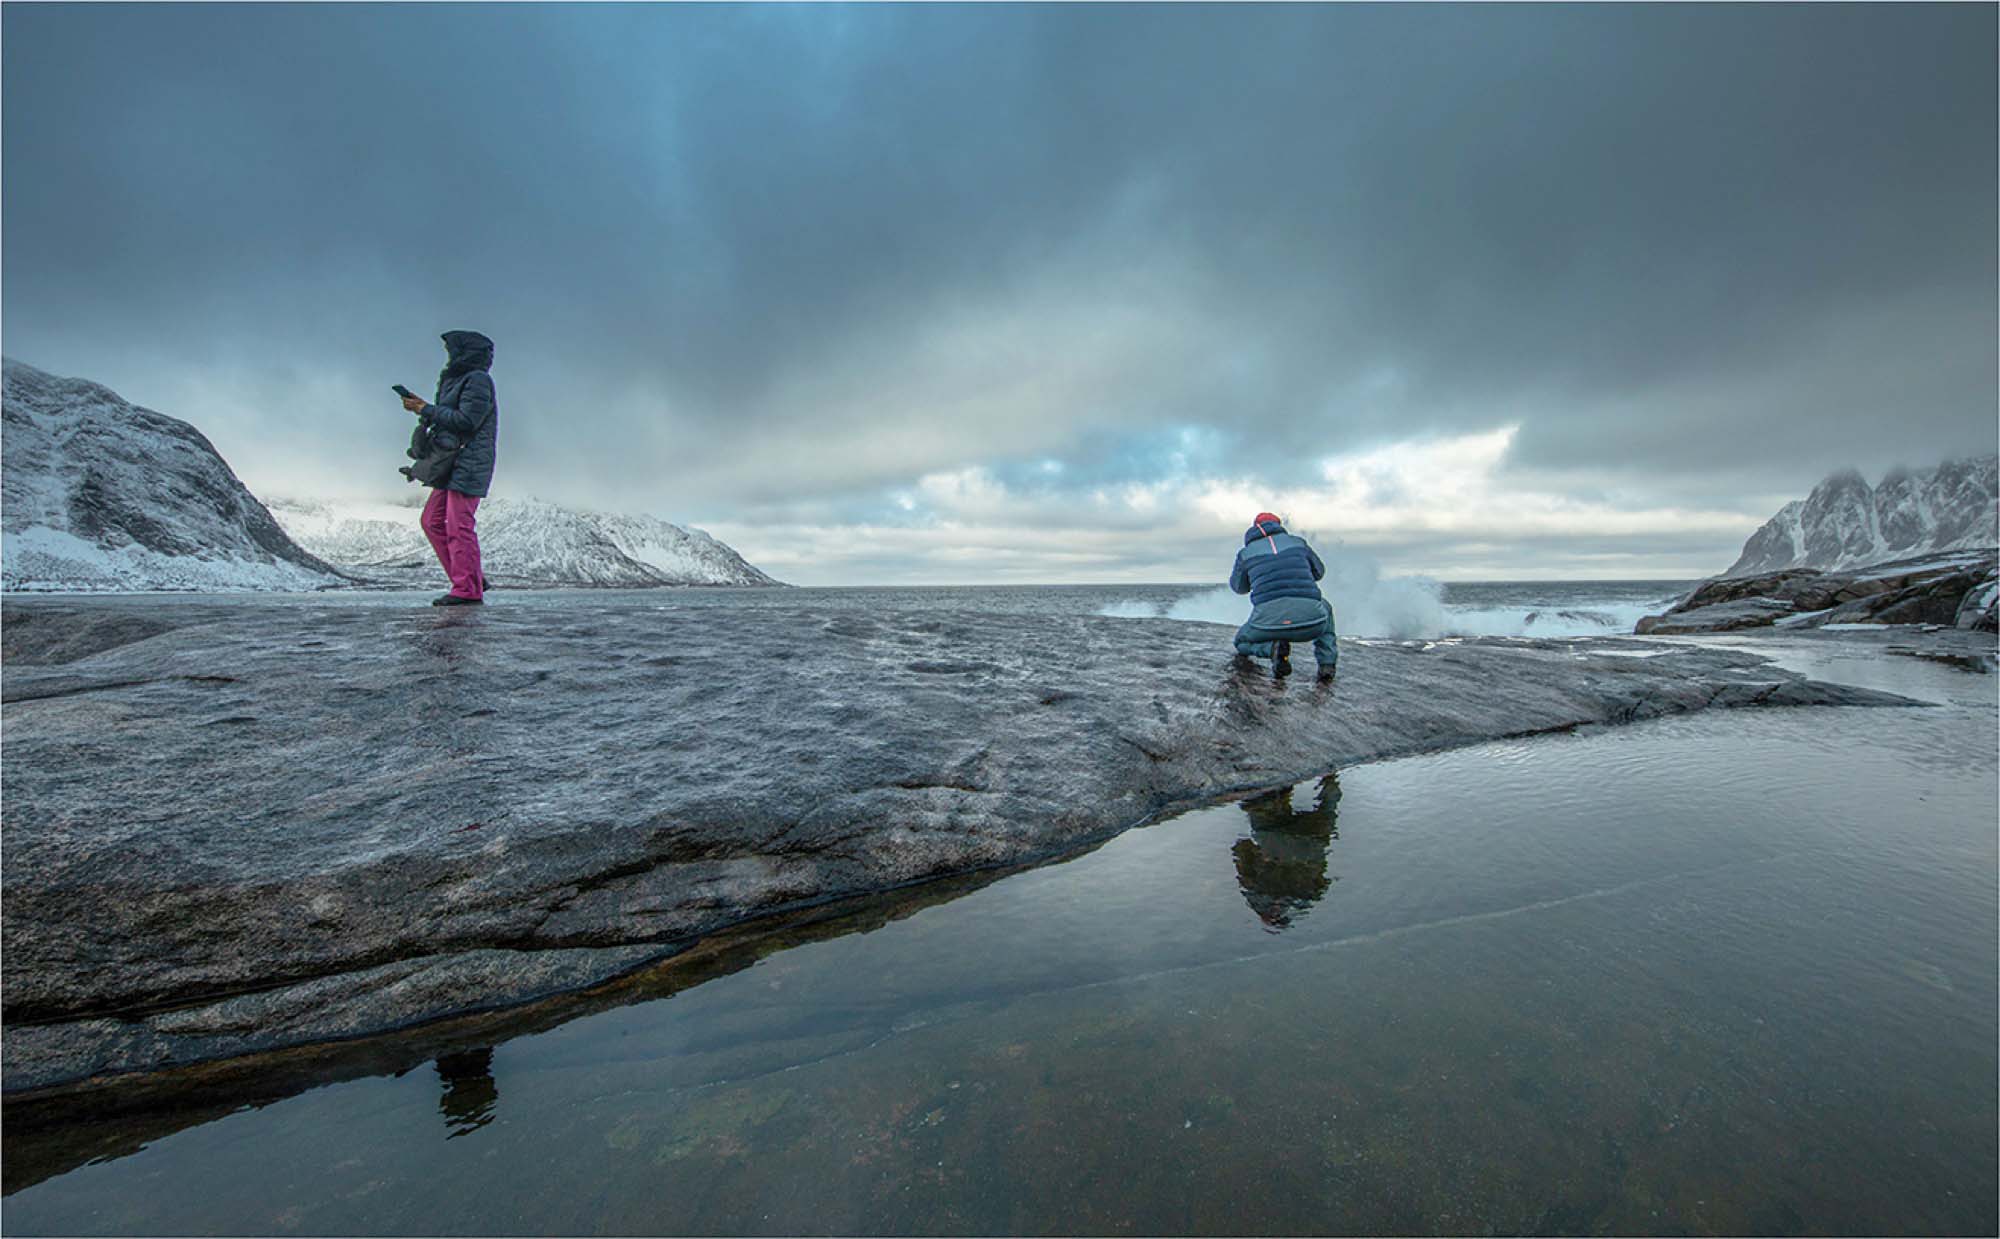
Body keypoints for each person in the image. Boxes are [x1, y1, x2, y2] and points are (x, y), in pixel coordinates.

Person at [401, 331, 499, 606]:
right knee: (432, 521)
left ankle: (467, 589)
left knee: (459, 525)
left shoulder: (478, 380)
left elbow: (467, 420)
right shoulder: (456, 380)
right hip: (450, 463)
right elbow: (449, 419)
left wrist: (425, 409)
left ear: (464, 352)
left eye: (452, 349)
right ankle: (471, 578)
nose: (449, 354)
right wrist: (424, 410)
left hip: (469, 461)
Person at [1228, 511, 1336, 681]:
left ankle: (1271, 650)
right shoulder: (1299, 543)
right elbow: (1319, 572)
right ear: (1279, 525)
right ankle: (1327, 665)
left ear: (1254, 527)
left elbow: (1239, 588)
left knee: (1241, 642)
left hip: (1268, 626)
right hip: (1312, 625)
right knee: (1326, 608)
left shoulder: (1245, 553)